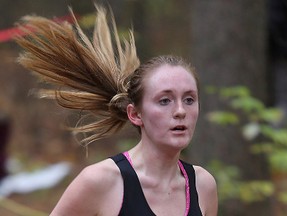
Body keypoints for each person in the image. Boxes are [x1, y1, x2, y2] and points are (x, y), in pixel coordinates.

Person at [16, 5, 218, 216]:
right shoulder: (101, 181)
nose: (180, 111)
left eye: (189, 99)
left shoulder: (203, 186)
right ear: (135, 114)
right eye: (165, 100)